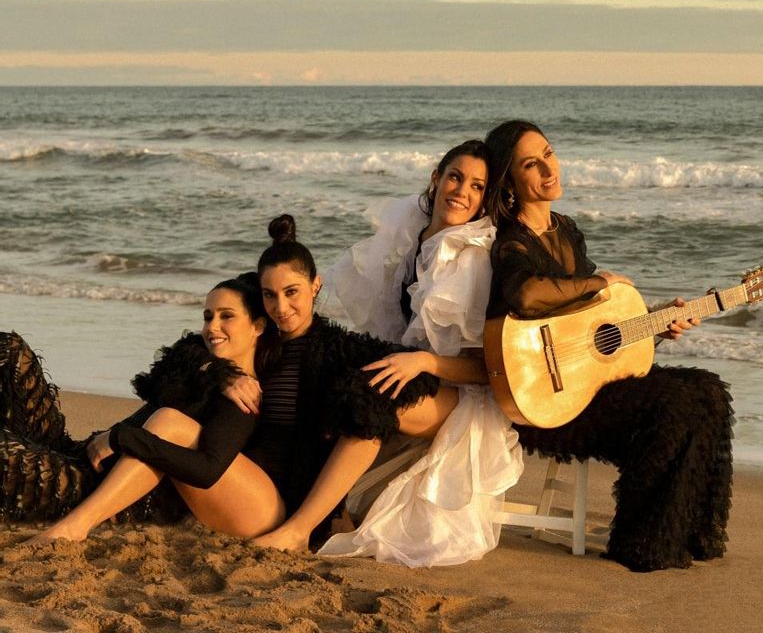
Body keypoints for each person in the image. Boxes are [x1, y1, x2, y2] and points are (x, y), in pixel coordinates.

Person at [483, 120, 734, 572]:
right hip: (548, 401)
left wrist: (654, 325)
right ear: (509, 181)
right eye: (530, 164)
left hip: (589, 380)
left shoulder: (567, 230)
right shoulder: (509, 242)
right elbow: (525, 294)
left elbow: (589, 323)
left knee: (707, 391)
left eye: (549, 153)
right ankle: (641, 541)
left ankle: (683, 531)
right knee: (671, 404)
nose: (548, 168)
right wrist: (600, 280)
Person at [318, 139, 523, 566]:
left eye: (477, 186)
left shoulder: (472, 259)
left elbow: (488, 371)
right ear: (436, 178)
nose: (462, 191)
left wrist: (425, 361)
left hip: (463, 398)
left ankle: (302, 526)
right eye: (455, 176)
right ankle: (324, 510)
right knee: (326, 374)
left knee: (368, 400)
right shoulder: (411, 240)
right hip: (416, 377)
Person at [219, 214, 454, 551]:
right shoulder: (255, 340)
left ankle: (310, 525)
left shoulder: (340, 350)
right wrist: (222, 375)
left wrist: (421, 360)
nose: (281, 307)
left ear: (316, 285)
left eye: (291, 292)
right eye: (270, 295)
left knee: (368, 405)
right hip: (248, 482)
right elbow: (192, 351)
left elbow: (407, 384)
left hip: (292, 497)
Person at [2, 273, 278, 539]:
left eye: (226, 316)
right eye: (208, 317)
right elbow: (163, 375)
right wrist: (216, 371)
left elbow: (204, 470)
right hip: (80, 454)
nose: (211, 327)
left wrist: (120, 437)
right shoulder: (202, 368)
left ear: (258, 326)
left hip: (94, 486)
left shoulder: (242, 396)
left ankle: (73, 527)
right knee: (11, 348)